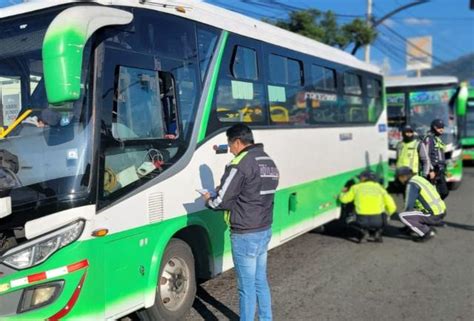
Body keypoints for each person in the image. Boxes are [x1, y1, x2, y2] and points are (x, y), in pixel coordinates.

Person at [202, 124, 279, 321]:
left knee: (246, 287)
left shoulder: (240, 164)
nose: (229, 149)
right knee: (260, 281)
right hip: (264, 228)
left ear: (237, 142)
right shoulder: (267, 161)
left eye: (230, 144)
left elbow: (222, 201)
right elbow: (253, 191)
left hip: (245, 233)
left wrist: (208, 200)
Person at [339, 170, 397, 243]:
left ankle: (363, 231)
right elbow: (392, 206)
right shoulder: (380, 188)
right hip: (378, 221)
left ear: (365, 178)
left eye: (361, 177)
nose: (360, 179)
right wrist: (389, 214)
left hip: (361, 220)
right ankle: (377, 232)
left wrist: (341, 193)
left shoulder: (356, 187)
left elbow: (344, 200)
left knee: (349, 219)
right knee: (385, 217)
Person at [396, 166, 447, 242]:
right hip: (442, 211)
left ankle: (427, 232)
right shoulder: (419, 178)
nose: (400, 180)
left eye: (400, 177)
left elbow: (408, 206)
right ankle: (412, 228)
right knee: (414, 211)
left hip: (432, 214)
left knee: (403, 216)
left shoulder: (411, 184)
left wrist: (409, 221)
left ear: (404, 176)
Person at [422, 118, 449, 199]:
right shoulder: (429, 138)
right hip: (433, 171)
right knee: (434, 194)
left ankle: (436, 207)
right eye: (439, 127)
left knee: (444, 192)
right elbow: (426, 155)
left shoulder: (437, 138)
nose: (442, 129)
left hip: (440, 170)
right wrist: (430, 170)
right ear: (434, 127)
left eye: (442, 127)